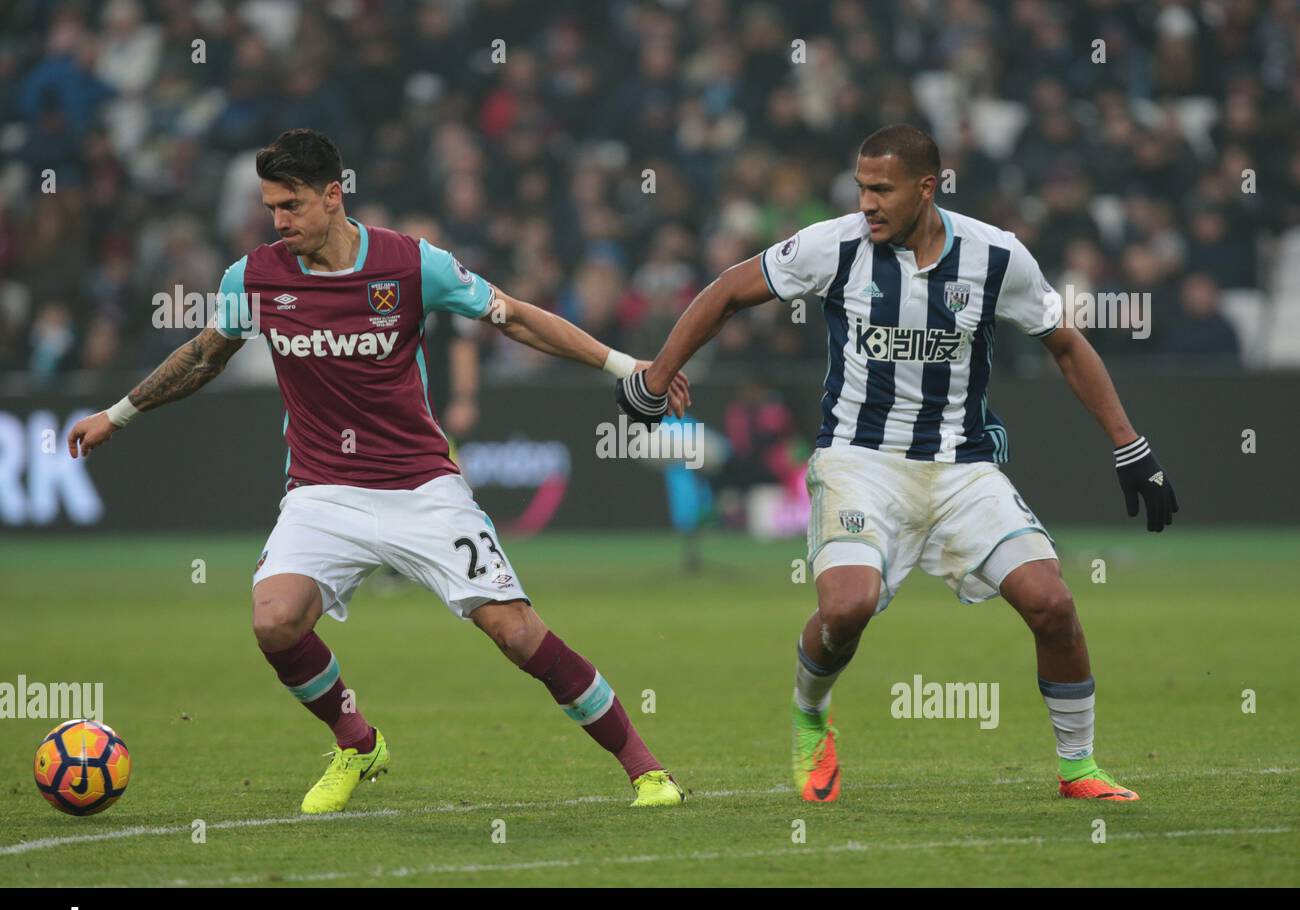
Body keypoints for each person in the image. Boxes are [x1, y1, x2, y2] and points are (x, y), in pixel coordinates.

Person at [69, 128, 691, 812]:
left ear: (334, 197)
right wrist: (118, 413)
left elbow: (513, 317)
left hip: (422, 486)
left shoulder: (410, 264)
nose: (278, 221)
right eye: (271, 207)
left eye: (291, 205)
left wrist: (624, 364)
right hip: (321, 491)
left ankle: (645, 769)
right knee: (274, 621)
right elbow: (204, 355)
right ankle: (357, 742)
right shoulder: (254, 277)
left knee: (516, 631)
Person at [618, 124, 1177, 804]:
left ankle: (1078, 766)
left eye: (880, 189)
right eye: (860, 188)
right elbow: (730, 290)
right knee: (846, 608)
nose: (867, 203)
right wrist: (657, 376)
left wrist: (1131, 445)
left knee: (1053, 603)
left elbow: (1065, 342)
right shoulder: (835, 245)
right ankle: (810, 713)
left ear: (926, 186)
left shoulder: (997, 257)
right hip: (859, 461)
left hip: (961, 468)